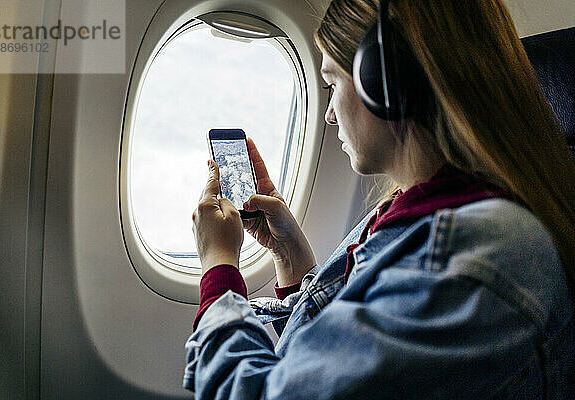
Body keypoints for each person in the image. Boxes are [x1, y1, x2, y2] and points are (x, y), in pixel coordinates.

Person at [184, 0, 575, 398]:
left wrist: (219, 266)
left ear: (386, 81)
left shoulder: (468, 256)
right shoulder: (419, 212)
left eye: (332, 84)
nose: (330, 115)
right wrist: (288, 253)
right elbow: (341, 370)